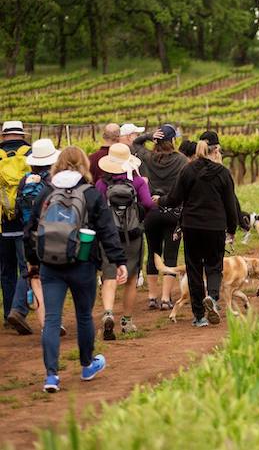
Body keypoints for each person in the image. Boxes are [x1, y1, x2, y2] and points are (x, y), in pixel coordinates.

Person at [24, 146, 126, 393]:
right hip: (83, 264)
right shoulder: (90, 194)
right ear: (83, 164)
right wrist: (118, 260)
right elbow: (106, 230)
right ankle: (87, 365)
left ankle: (51, 376)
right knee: (83, 316)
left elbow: (31, 230)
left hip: (50, 265)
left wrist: (33, 262)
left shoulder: (47, 192)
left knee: (51, 319)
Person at [157, 132, 236, 327]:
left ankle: (200, 316)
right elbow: (230, 205)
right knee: (214, 265)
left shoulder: (188, 170)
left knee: (194, 269)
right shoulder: (223, 173)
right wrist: (232, 229)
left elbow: (175, 198)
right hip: (215, 226)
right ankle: (213, 298)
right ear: (216, 150)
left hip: (191, 226)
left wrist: (160, 200)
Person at [96, 143, 155, 339]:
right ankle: (127, 321)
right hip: (133, 236)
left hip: (109, 236)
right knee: (131, 278)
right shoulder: (138, 182)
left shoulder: (101, 184)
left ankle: (108, 313)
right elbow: (147, 204)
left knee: (109, 275)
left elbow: (96, 208)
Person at [8, 138, 61, 335]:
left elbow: (17, 208)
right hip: (51, 232)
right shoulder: (53, 181)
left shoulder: (25, 180)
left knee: (30, 272)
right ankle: (51, 320)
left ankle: (17, 309)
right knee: (54, 276)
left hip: (28, 232)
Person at [133, 125, 188, 310]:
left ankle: (151, 297)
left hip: (152, 211)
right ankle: (166, 298)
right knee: (170, 256)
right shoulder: (181, 160)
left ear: (156, 141)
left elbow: (135, 143)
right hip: (173, 211)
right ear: (172, 141)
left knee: (153, 253)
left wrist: (148, 136)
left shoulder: (147, 158)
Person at [1, 120, 32, 334]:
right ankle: (18, 311)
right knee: (27, 269)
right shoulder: (31, 154)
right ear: (22, 134)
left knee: (6, 270)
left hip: (2, 223)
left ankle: (7, 316)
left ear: (3, 135)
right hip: (25, 223)